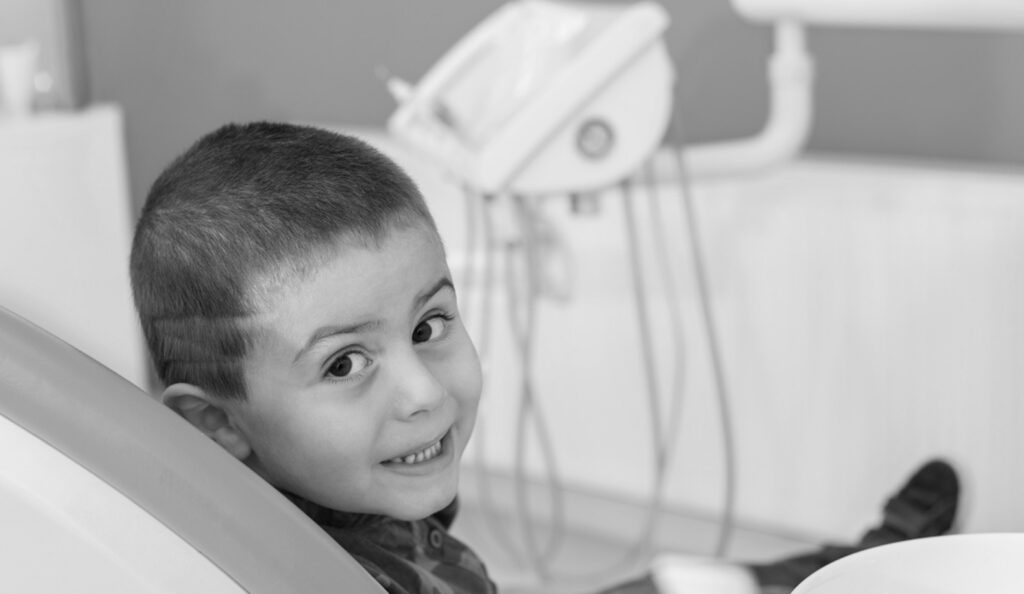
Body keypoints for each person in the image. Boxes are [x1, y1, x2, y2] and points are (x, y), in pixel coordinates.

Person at [130, 122, 959, 594]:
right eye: (345, 365)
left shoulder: (355, 493)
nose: (425, 392)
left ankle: (873, 555)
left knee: (695, 581)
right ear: (214, 424)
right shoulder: (298, 574)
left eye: (429, 326)